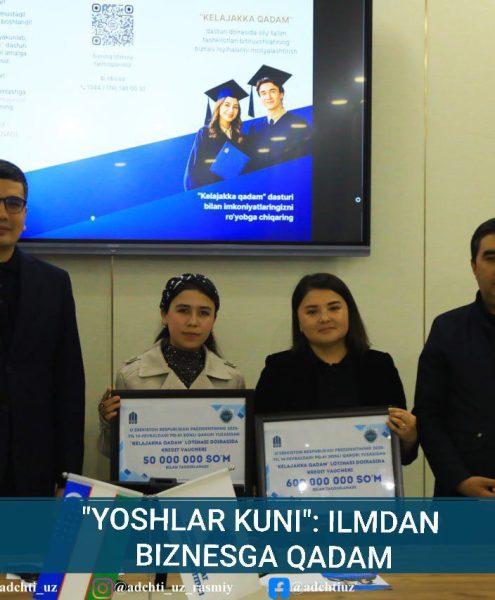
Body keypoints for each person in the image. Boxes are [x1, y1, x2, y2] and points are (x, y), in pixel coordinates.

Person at [255, 273, 417, 464]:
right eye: (312, 312)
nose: (324, 318)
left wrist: (410, 436)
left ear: (350, 313)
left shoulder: (379, 366)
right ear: (298, 320)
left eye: (334, 308)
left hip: (367, 479)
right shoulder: (278, 370)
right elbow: (259, 445)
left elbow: (403, 455)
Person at [0, 159, 85, 496]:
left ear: (24, 213)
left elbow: (68, 383)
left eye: (13, 203)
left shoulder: (53, 284)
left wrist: (68, 478)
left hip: (30, 468)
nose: (3, 214)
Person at [98, 273, 245, 456]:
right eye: (183, 310)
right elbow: (114, 455)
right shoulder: (131, 376)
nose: (193, 322)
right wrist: (108, 421)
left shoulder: (232, 379)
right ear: (164, 315)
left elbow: (237, 452)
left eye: (204, 313)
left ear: (214, 320)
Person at [414, 218, 495, 497]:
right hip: (463, 493)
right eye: (491, 258)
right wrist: (460, 480)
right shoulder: (448, 329)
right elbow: (428, 415)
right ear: (474, 266)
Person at [184, 80, 250, 190]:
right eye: (227, 105)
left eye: (235, 107)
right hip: (210, 192)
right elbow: (193, 171)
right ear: (219, 107)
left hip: (233, 192)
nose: (231, 110)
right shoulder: (205, 133)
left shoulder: (241, 138)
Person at [246, 65, 311, 170]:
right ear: (260, 97)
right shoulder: (255, 129)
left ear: (281, 94)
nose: (268, 97)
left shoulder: (298, 124)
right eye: (263, 93)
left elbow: (305, 160)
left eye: (272, 91)